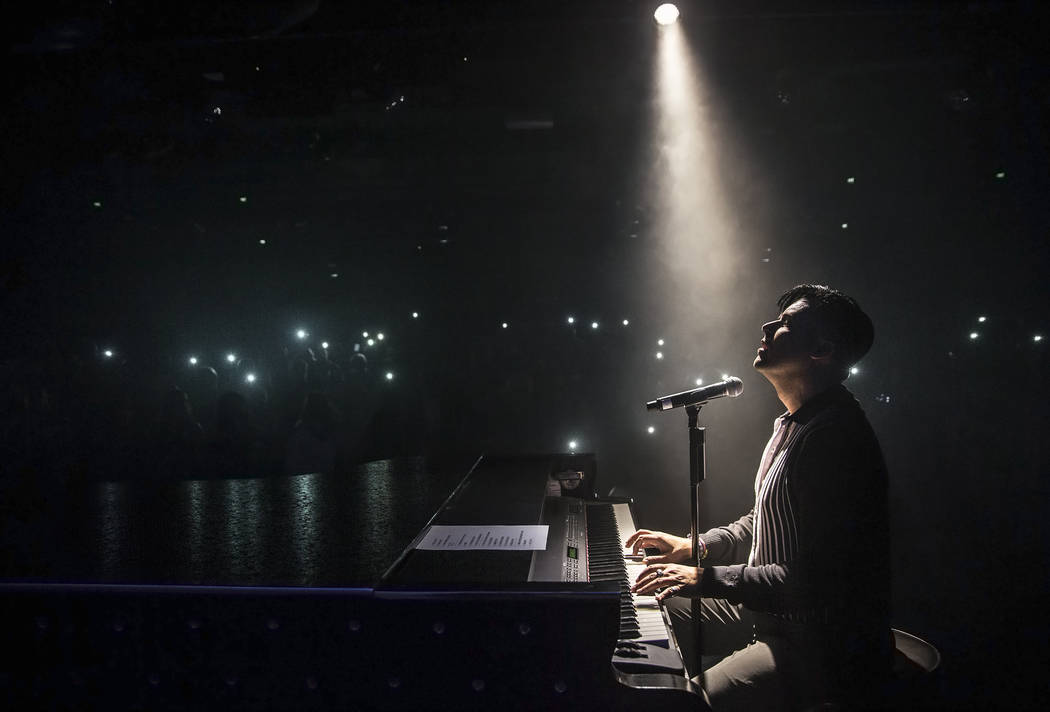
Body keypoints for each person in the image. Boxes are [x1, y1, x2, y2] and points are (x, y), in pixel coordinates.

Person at [626, 284, 891, 711]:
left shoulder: (835, 438)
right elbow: (765, 518)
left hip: (818, 643)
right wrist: (698, 546)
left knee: (687, 704)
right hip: (767, 611)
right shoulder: (795, 423)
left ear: (822, 349)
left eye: (786, 323)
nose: (767, 326)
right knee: (635, 608)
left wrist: (705, 578)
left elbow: (818, 581)